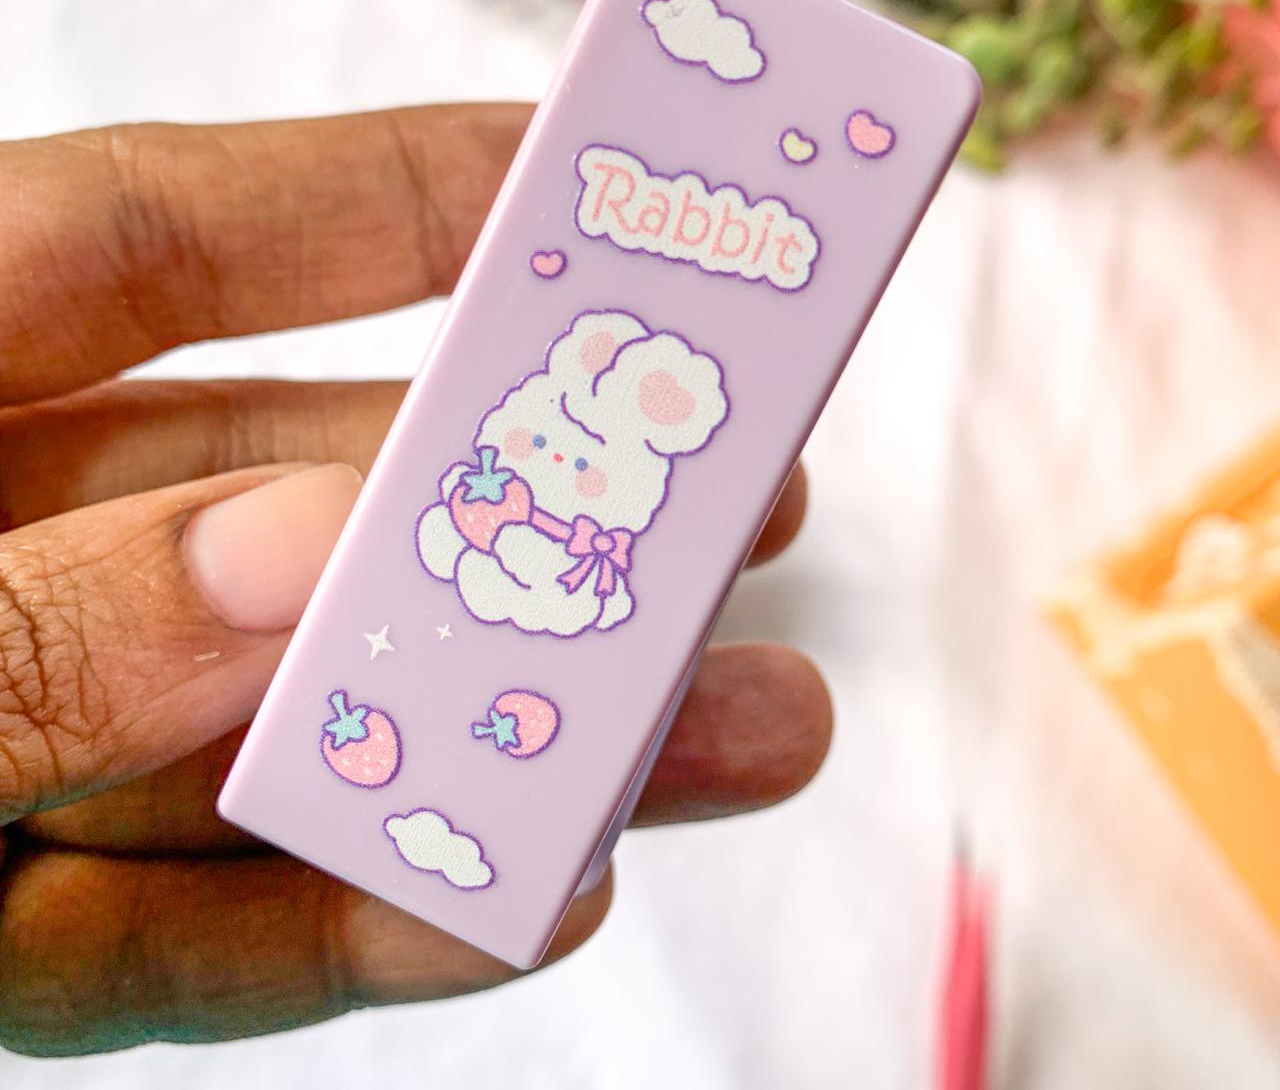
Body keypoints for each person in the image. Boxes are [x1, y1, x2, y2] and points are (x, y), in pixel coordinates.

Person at [0, 103, 831, 1057]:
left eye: (580, 462)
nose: (550, 464)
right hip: (392, 681)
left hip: (518, 686)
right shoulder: (497, 477)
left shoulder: (589, 546)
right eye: (546, 444)